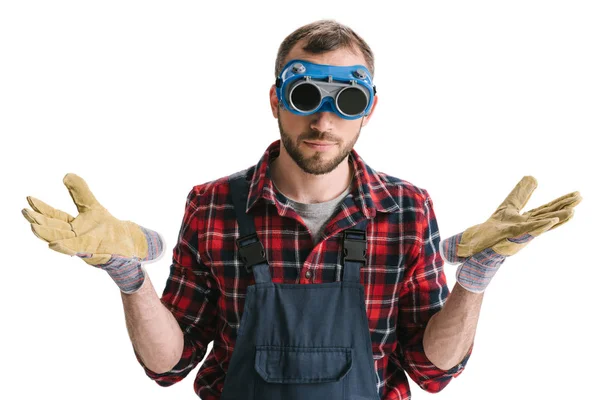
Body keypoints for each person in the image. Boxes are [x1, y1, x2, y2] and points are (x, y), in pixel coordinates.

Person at [21, 19, 582, 400]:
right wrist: (128, 277)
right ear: (276, 101)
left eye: (348, 101)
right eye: (306, 96)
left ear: (369, 110)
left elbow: (430, 370)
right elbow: (170, 364)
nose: (324, 121)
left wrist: (477, 280)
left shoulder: (406, 210)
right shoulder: (214, 205)